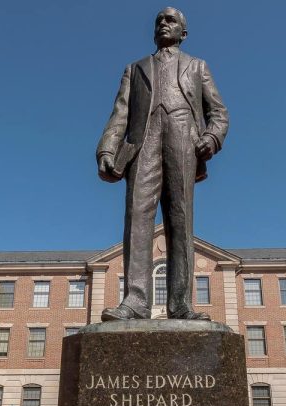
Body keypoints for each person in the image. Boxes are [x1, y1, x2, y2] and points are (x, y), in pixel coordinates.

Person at [97, 7, 229, 322]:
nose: (163, 23)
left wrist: (210, 139)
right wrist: (107, 148)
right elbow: (120, 113)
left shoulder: (197, 66)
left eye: (170, 20)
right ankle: (135, 302)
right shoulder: (135, 69)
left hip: (184, 141)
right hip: (142, 144)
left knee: (180, 220)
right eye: (159, 20)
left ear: (183, 33)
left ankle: (181, 303)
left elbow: (219, 113)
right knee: (137, 219)